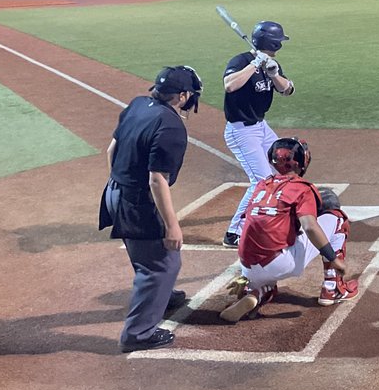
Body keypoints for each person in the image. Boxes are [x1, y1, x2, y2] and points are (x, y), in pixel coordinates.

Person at [98, 65, 202, 352]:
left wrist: (120, 184)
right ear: (182, 96)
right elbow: (156, 179)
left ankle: (161, 297)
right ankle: (138, 335)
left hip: (114, 191)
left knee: (145, 254)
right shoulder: (171, 126)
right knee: (162, 264)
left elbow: (111, 150)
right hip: (136, 200)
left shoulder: (137, 104)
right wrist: (172, 225)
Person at [219, 137, 360, 322]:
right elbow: (309, 226)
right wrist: (333, 259)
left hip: (247, 265)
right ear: (302, 162)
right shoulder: (302, 189)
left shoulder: (261, 185)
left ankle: (255, 293)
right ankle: (333, 289)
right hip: (280, 262)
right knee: (337, 218)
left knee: (269, 273)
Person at [221, 21, 296, 248]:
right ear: (272, 43)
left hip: (261, 127)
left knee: (284, 165)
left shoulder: (272, 63)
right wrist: (254, 64)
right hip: (241, 131)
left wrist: (274, 74)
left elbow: (287, 90)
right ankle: (234, 232)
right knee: (261, 181)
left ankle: (277, 214)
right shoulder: (241, 61)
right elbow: (229, 85)